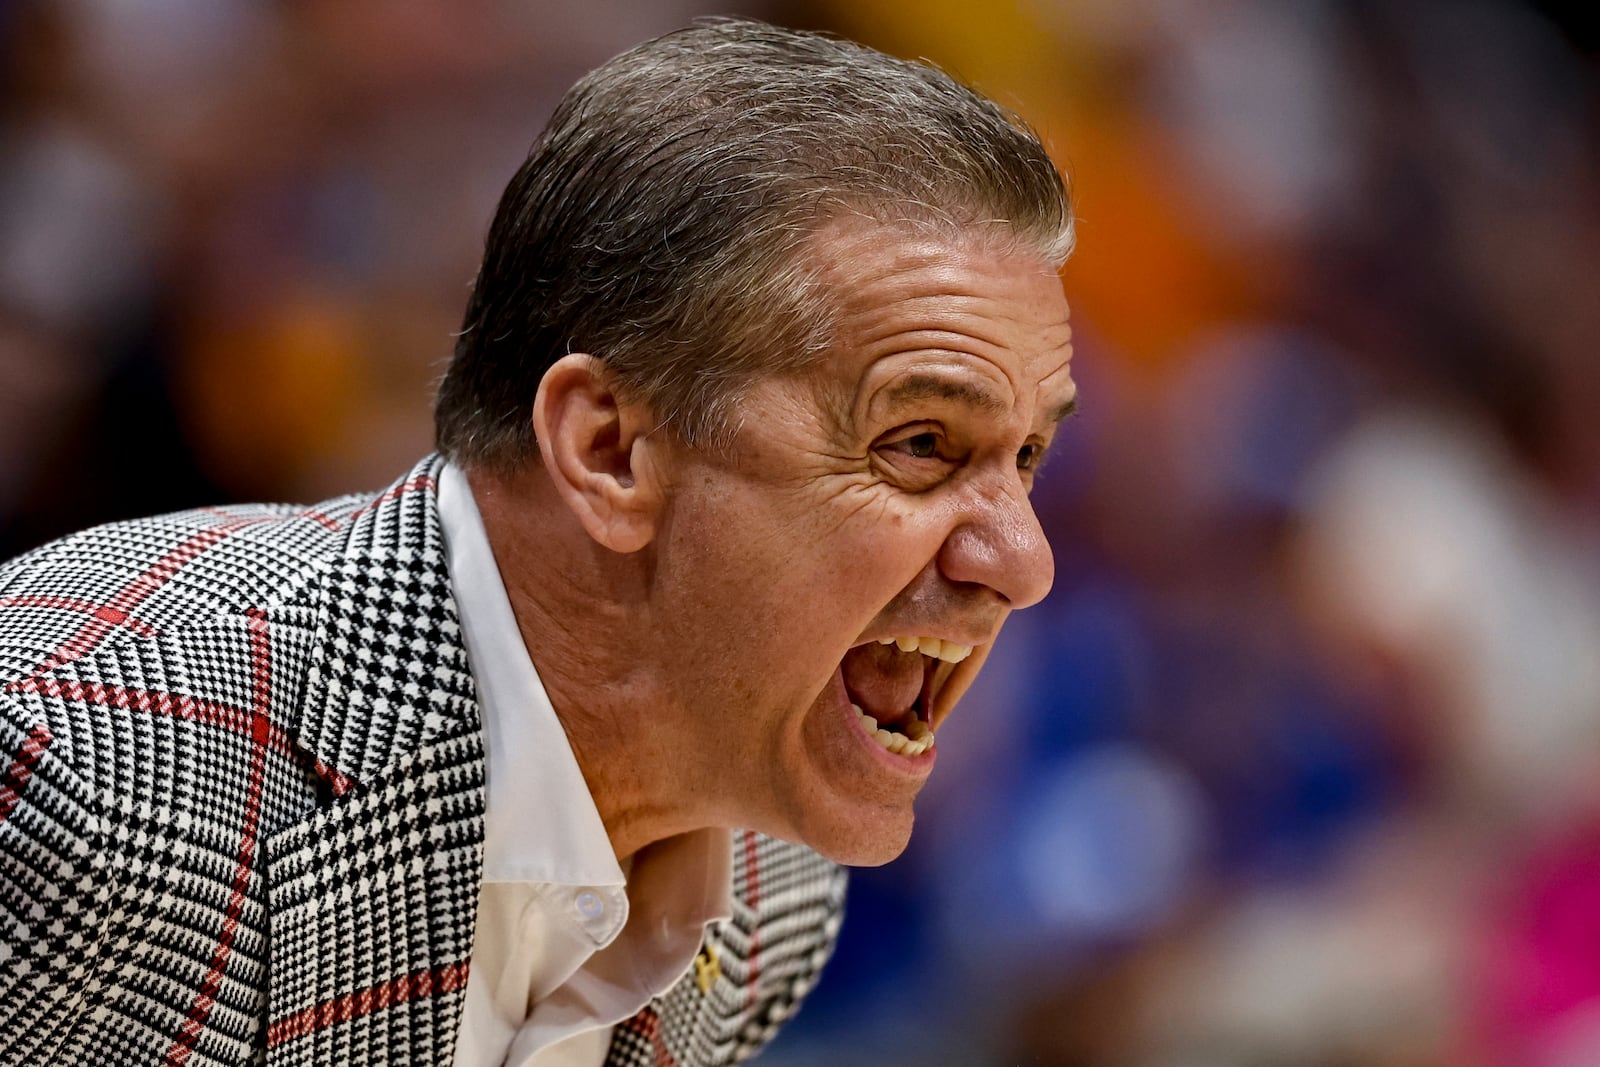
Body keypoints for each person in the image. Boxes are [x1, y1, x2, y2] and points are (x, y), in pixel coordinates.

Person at [0, 17, 1076, 1066]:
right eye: (922, 441)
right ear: (609, 450)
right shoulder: (82, 796)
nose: (1023, 561)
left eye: (1025, 457)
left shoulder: (767, 890)